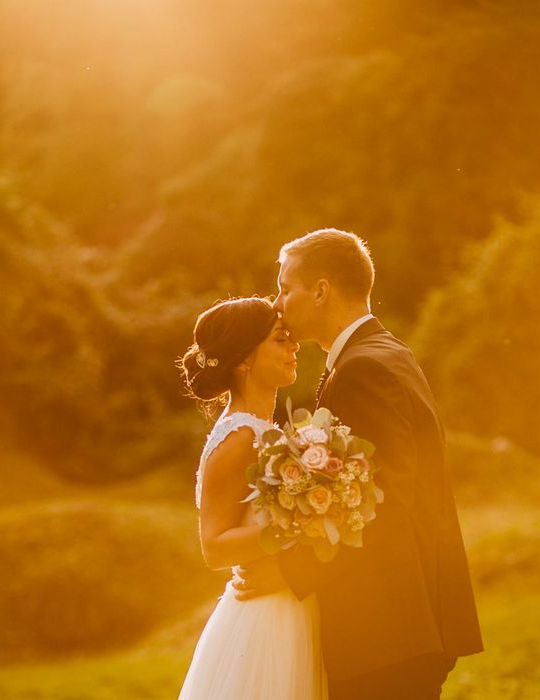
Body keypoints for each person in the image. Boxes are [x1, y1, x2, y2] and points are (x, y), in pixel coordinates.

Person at [234, 229, 483, 699]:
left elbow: (379, 502)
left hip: (387, 630)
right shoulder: (380, 353)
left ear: (322, 290)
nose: (278, 303)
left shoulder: (363, 369)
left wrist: (290, 573)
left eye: (286, 288)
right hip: (405, 626)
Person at [176, 296, 327, 700]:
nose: (294, 347)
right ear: (244, 359)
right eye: (281, 339)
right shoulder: (240, 437)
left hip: (290, 601)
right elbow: (215, 546)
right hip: (266, 619)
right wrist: (300, 526)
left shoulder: (265, 430)